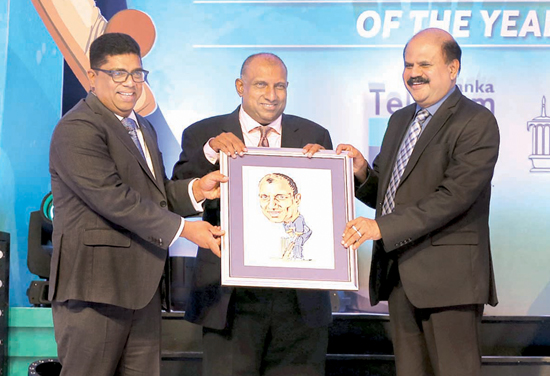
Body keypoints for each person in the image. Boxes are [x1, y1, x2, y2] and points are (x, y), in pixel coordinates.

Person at [48, 32, 226, 376]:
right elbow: (114, 199)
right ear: (92, 77)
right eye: (118, 74)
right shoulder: (78, 128)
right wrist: (186, 230)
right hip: (95, 290)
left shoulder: (142, 127)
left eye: (137, 74)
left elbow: (154, 196)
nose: (130, 83)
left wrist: (198, 190)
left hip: (142, 291)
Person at [338, 28, 499, 376]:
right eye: (408, 64)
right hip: (400, 277)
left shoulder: (476, 122)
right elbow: (386, 193)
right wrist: (361, 171)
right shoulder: (400, 119)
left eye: (424, 63)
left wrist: (381, 228)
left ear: (453, 68)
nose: (413, 73)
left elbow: (453, 197)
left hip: (450, 282)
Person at [172, 53, 333, 376]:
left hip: (299, 304)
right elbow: (179, 198)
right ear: (239, 86)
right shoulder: (203, 134)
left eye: (280, 86)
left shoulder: (314, 135)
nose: (272, 95)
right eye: (261, 85)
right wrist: (210, 152)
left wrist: (327, 170)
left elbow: (323, 208)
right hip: (230, 302)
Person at [258, 173, 312, 260]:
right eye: (265, 197)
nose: (272, 206)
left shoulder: (299, 220)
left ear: (297, 199)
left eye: (281, 197)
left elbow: (299, 233)